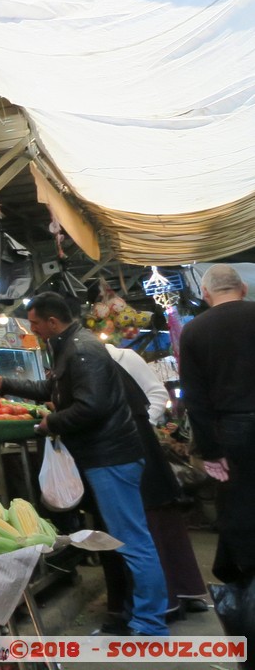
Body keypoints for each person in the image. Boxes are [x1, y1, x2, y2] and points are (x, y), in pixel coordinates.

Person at [0, 291, 169, 636]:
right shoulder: (69, 345)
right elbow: (53, 388)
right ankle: (138, 614)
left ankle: (151, 622)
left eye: (34, 323)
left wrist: (52, 423)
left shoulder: (81, 350)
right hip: (105, 455)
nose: (31, 329)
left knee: (131, 539)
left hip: (111, 456)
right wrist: (3, 384)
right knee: (126, 537)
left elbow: (91, 407)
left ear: (52, 321)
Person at [94, 342, 209, 627]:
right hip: (120, 449)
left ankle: (172, 598)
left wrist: (142, 424)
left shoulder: (123, 357)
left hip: (137, 448)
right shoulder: (85, 363)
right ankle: (169, 597)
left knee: (154, 522)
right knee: (149, 523)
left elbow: (157, 394)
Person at [179, 264, 255, 617]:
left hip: (232, 431)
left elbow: (195, 400)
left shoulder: (194, 332)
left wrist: (210, 451)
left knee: (240, 507)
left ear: (205, 295)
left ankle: (248, 584)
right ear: (242, 288)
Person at [106, 344, 170, 426]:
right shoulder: (87, 366)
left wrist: (146, 422)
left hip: (132, 432)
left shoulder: (124, 357)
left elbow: (158, 393)